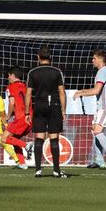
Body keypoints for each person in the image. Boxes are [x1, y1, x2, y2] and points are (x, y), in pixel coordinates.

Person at [25, 46, 68, 178]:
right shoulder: (57, 71)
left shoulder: (32, 72)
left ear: (38, 57)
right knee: (54, 138)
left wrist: (27, 112)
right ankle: (56, 170)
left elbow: (28, 94)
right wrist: (63, 110)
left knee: (39, 137)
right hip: (54, 105)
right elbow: (62, 92)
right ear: (50, 57)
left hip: (39, 105)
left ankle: (38, 170)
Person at [73, 49, 106, 169]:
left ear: (100, 59)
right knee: (94, 131)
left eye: (94, 58)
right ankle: (99, 160)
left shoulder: (102, 72)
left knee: (98, 131)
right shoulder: (102, 71)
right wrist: (81, 91)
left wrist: (81, 93)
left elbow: (96, 90)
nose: (92, 60)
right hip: (102, 107)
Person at [0, 68, 33, 169]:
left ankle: (26, 145)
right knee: (14, 139)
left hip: (21, 118)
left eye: (8, 75)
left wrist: (8, 115)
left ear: (12, 75)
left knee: (3, 138)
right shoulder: (25, 86)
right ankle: (22, 163)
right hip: (30, 118)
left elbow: (12, 102)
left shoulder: (10, 87)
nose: (8, 78)